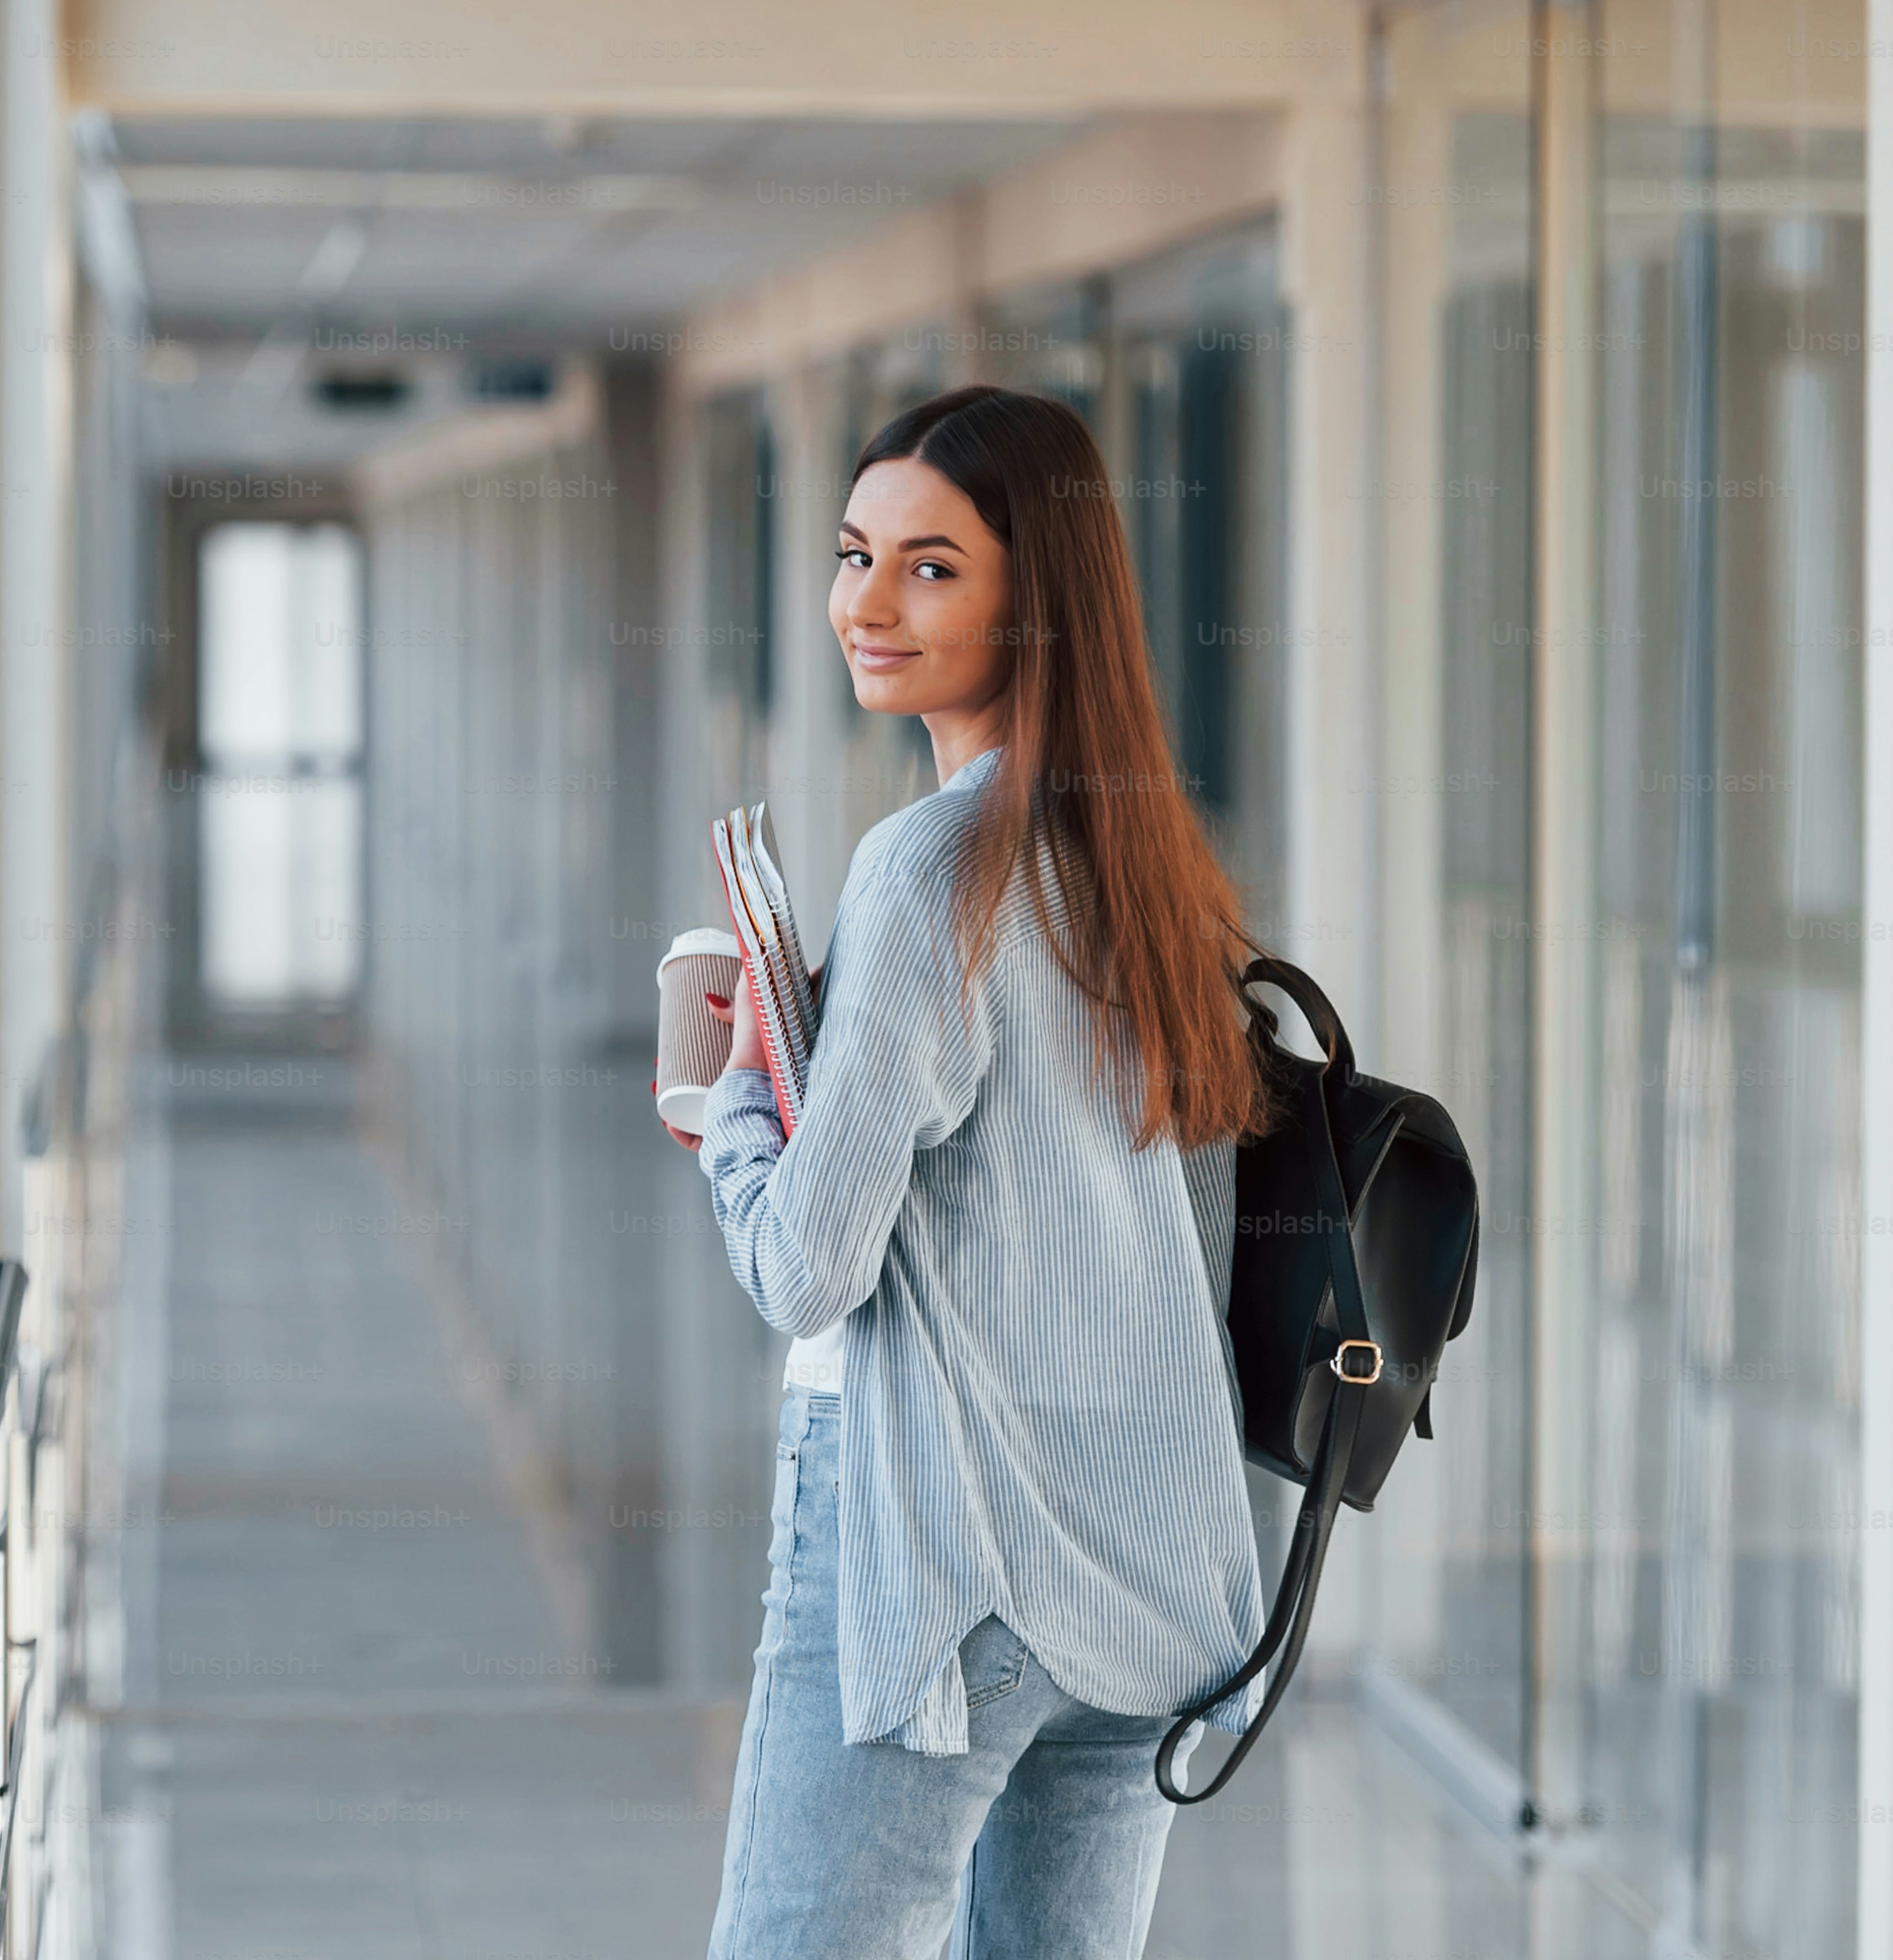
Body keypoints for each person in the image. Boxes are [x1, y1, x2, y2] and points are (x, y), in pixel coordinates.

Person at [659, 386, 1267, 1959]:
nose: (867, 603)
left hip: (950, 1568)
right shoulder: (1151, 868)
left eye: (931, 567)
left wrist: (735, 1102)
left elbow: (806, 1269)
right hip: (1147, 1575)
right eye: (855, 554)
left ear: (1033, 600)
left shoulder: (929, 865)